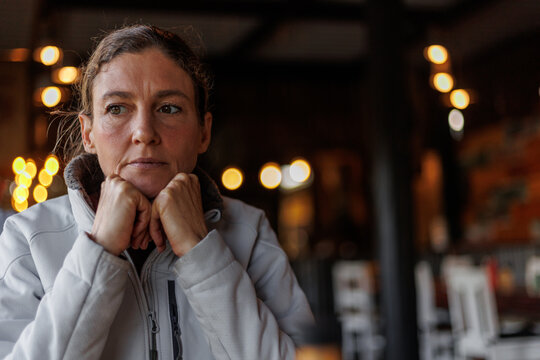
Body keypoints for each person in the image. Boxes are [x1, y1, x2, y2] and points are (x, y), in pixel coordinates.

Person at [0, 24, 314, 360]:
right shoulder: (29, 238)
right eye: (117, 108)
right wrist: (99, 249)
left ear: (203, 132)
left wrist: (202, 252)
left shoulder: (249, 232)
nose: (144, 133)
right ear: (88, 134)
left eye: (169, 108)